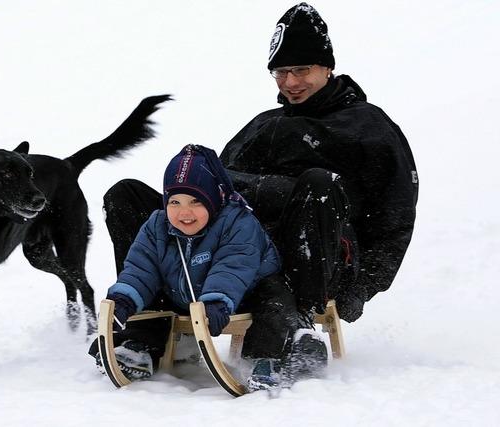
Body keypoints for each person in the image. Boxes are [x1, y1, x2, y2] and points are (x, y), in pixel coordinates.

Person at [101, 3, 418, 385]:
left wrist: (361, 288)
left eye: (302, 69)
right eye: (281, 71)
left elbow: (395, 216)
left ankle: (296, 322)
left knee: (318, 183)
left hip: (313, 265)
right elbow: (209, 192)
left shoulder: (368, 128)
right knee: (128, 195)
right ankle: (151, 324)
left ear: (327, 67)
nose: (290, 82)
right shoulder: (263, 125)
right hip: (230, 257)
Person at [90, 145, 326, 390]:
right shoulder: (156, 226)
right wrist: (125, 299)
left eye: (195, 201)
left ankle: (267, 357)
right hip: (190, 296)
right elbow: (141, 268)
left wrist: (216, 300)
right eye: (175, 201)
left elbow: (232, 266)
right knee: (151, 288)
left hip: (245, 292)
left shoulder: (237, 222)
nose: (184, 212)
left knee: (275, 300)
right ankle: (142, 344)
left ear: (214, 200)